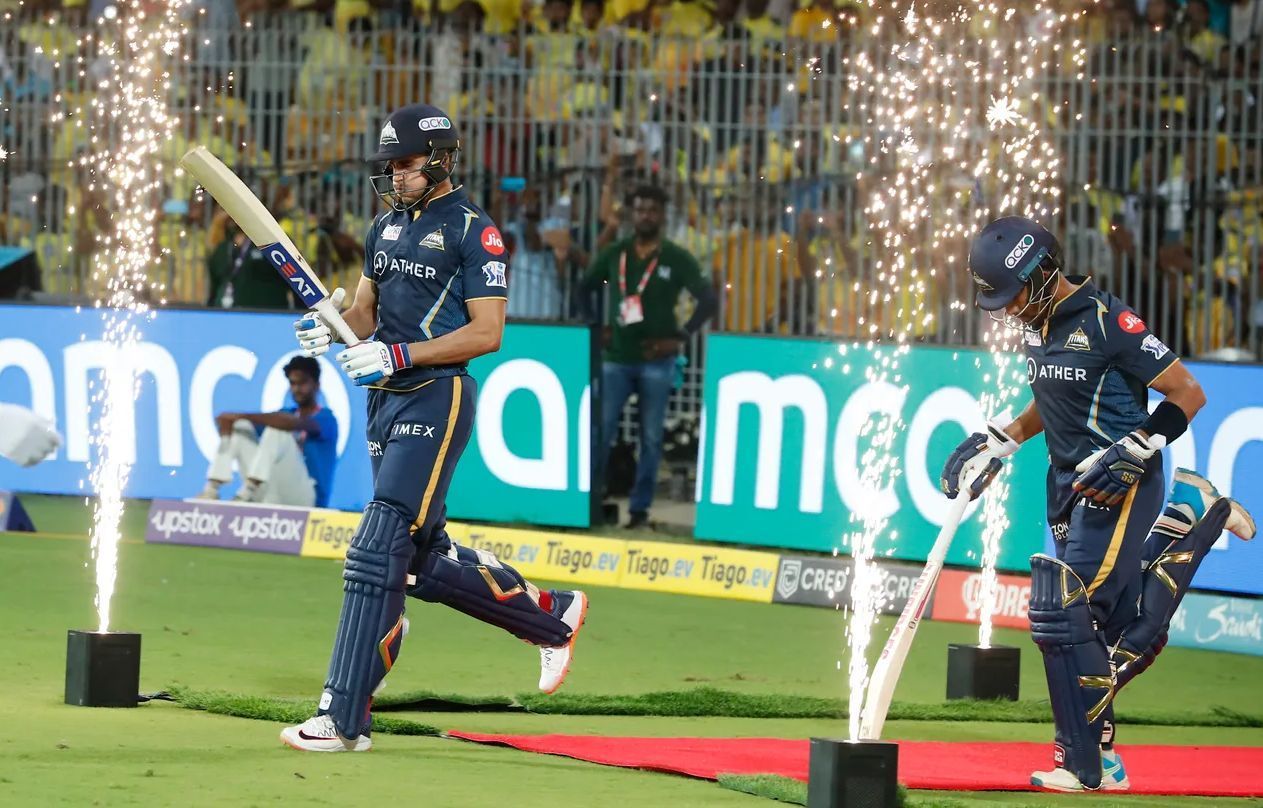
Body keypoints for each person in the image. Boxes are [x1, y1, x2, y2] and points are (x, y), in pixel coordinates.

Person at [281, 104, 588, 753]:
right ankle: (551, 616)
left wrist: (399, 354)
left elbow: (487, 331)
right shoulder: (383, 227)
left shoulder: (476, 233)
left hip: (436, 397)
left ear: (441, 159)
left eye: (406, 163)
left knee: (378, 544)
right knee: (416, 561)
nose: (395, 175)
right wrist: (328, 326)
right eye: (389, 164)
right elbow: (365, 314)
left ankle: (343, 716)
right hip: (384, 401)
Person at [941, 216, 1255, 793]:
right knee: (1097, 627)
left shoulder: (1112, 322)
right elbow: (1055, 396)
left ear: (1040, 276)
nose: (1007, 310)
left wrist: (1139, 445)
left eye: (1011, 296)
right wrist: (1002, 439)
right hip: (1066, 488)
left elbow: (1189, 392)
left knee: (1064, 618)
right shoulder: (1037, 324)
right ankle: (1102, 760)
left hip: (1119, 482)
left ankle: (1081, 764)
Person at [581, 184, 717, 528]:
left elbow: (709, 299)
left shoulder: (675, 256)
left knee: (651, 438)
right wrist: (598, 327)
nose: (646, 216)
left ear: (662, 215)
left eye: (652, 210)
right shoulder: (617, 252)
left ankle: (639, 511)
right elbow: (585, 286)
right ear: (632, 214)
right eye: (640, 210)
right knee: (602, 430)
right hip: (616, 357)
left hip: (658, 360)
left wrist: (681, 337)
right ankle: (591, 504)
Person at [198, 355, 338, 508]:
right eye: (292, 383)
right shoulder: (286, 412)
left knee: (279, 428)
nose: (297, 389)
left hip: (307, 498)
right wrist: (230, 425)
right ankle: (212, 489)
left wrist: (239, 415)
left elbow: (290, 423)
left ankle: (249, 489)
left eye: (303, 382)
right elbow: (247, 427)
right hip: (273, 491)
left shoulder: (326, 418)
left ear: (317, 385)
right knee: (242, 426)